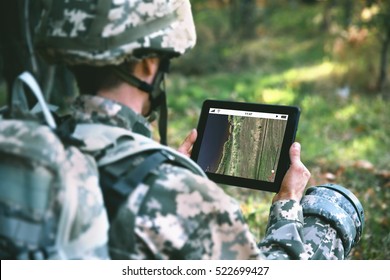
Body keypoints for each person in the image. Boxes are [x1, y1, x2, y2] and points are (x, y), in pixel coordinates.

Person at [33, 0, 363, 260]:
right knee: (331, 207)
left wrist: (156, 168)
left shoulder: (27, 142)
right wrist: (288, 203)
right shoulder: (187, 199)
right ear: (150, 63)